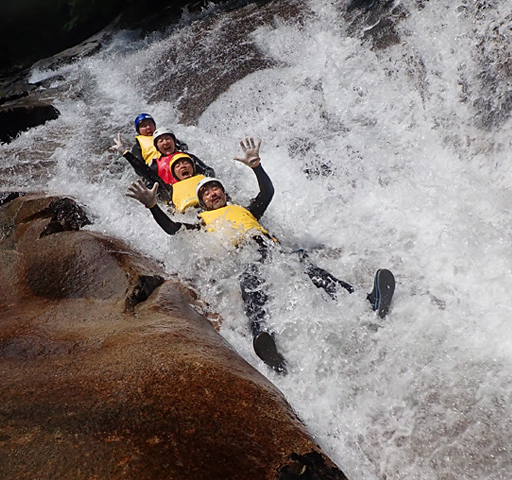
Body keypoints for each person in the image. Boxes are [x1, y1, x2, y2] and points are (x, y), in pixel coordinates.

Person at [125, 138, 395, 374]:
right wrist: (153, 207)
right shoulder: (204, 223)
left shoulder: (246, 210)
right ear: (203, 202)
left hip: (272, 250)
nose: (212, 193)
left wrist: (256, 166)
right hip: (244, 257)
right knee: (250, 285)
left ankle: (366, 300)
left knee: (310, 269)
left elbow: (267, 192)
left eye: (215, 189)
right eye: (206, 193)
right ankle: (265, 341)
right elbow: (173, 229)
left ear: (224, 192)